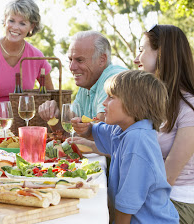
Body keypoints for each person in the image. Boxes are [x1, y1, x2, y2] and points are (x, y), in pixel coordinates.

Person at [72, 70, 179, 223]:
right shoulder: (122, 129)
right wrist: (85, 128)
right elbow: (96, 132)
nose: (104, 103)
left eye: (111, 97)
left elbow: (126, 204)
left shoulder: (138, 141)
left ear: (133, 105)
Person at [134, 24, 194, 223]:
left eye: (141, 50)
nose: (136, 59)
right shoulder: (159, 102)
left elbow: (167, 177)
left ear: (161, 54)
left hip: (178, 204)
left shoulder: (190, 108)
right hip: (156, 197)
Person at [0, 0, 54, 132]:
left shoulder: (37, 57)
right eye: (11, 20)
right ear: (4, 21)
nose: (15, 27)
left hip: (19, 130)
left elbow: (51, 96)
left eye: (22, 23)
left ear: (32, 26)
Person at [38, 31, 126, 133]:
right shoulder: (87, 83)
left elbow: (102, 134)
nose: (71, 67)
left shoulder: (114, 79)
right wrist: (54, 116)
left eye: (79, 60)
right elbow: (69, 133)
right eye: (70, 60)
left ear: (102, 60)